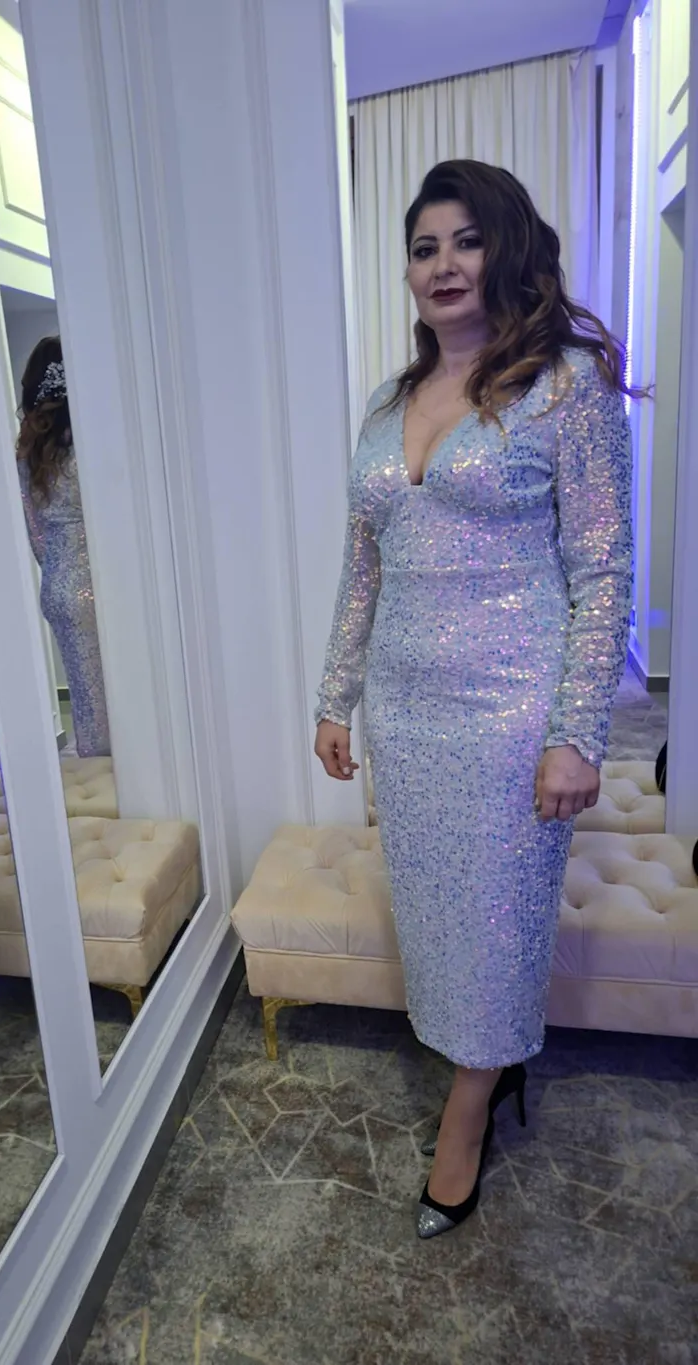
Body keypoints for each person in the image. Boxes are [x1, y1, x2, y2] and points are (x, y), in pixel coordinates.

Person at [314, 161, 634, 1239]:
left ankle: (466, 1117)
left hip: (512, 708)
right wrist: (334, 696)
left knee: (497, 921)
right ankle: (484, 1065)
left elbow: (602, 572)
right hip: (403, 714)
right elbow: (363, 565)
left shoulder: (565, 387)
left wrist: (576, 734)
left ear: (505, 249)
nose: (443, 265)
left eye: (465, 240)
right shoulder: (384, 404)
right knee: (437, 914)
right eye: (423, 248)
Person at [16, 336, 111, 759]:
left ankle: (99, 769)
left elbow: (35, 533)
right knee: (128, 691)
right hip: (102, 577)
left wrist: (59, 568)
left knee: (88, 700)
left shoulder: (30, 453)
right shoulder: (93, 444)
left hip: (58, 582)